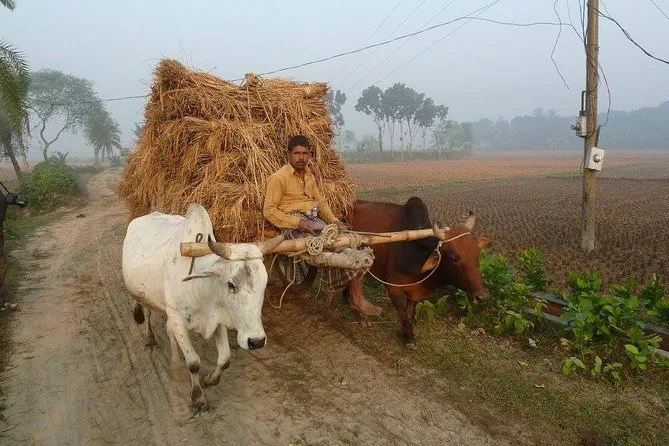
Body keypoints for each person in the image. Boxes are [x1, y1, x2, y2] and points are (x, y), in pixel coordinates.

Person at [263, 135, 382, 318]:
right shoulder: (278, 178)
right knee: (329, 247)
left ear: (309, 154)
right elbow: (269, 211)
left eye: (305, 153)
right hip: (293, 224)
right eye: (297, 153)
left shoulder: (309, 176)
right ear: (289, 154)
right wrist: (298, 223)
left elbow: (321, 203)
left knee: (350, 242)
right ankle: (356, 297)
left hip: (314, 221)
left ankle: (357, 295)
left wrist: (334, 221)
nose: (301, 157)